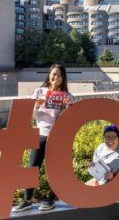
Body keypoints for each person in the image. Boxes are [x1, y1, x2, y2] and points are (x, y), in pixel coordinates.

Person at [12, 64, 76, 213]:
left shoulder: (68, 96)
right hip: (40, 134)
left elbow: (71, 120)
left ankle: (51, 198)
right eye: (54, 74)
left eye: (59, 75)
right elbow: (30, 116)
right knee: (32, 168)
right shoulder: (39, 92)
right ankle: (27, 200)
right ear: (49, 75)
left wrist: (69, 106)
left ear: (63, 78)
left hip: (58, 137)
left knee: (55, 170)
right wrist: (35, 106)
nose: (56, 78)